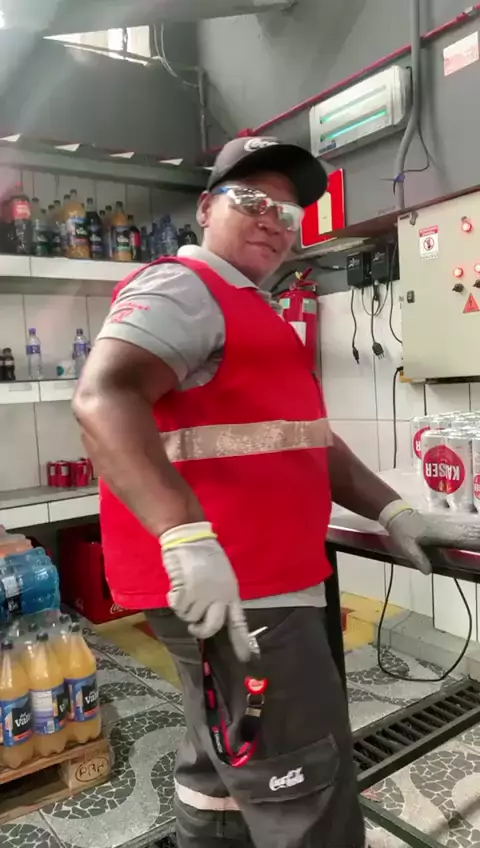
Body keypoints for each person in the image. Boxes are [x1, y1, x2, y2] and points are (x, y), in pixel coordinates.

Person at [73, 136, 480, 848]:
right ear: (207, 208)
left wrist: (394, 511)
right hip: (240, 586)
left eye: (288, 212)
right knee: (305, 789)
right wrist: (184, 533)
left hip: (253, 581)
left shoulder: (250, 307)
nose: (273, 220)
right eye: (252, 200)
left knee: (228, 761)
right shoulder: (184, 289)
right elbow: (102, 399)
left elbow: (307, 439)